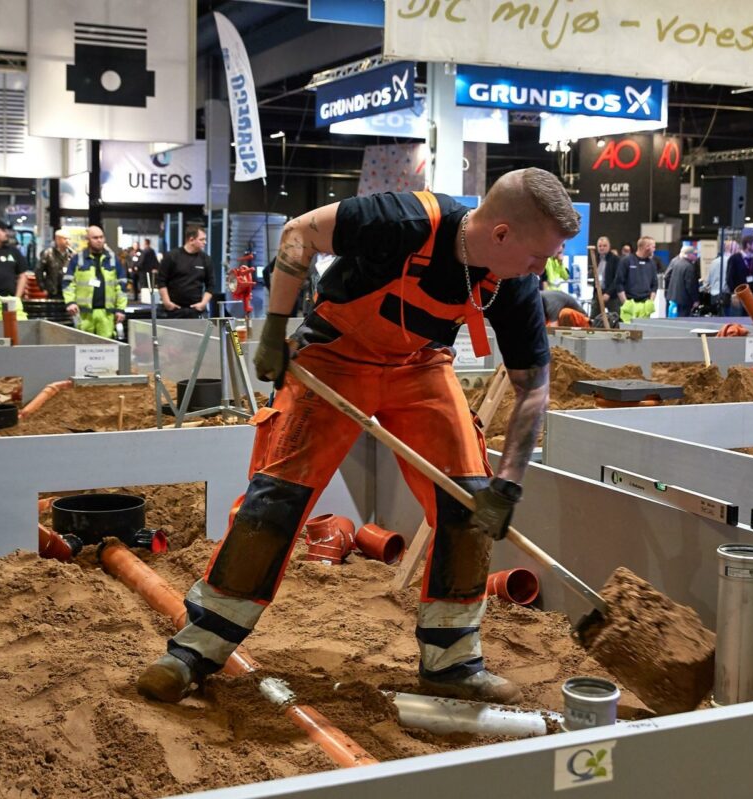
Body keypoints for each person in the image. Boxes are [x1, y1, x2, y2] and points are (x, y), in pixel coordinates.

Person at [135, 168, 581, 706]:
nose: (543, 269)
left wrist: (508, 483)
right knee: (275, 503)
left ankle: (452, 664)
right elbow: (299, 232)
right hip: (334, 360)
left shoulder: (513, 283)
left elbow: (533, 388)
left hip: (420, 368)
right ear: (502, 233)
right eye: (539, 256)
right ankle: (195, 651)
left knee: (468, 504)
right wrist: (275, 327)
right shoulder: (407, 220)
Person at [63, 225, 127, 338]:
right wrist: (70, 302)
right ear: (88, 240)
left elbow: (121, 286)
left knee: (107, 350)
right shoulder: (78, 259)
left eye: (101, 237)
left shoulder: (112, 260)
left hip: (107, 315)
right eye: (95, 238)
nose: (99, 240)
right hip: (84, 314)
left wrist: (121, 308)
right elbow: (68, 283)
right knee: (83, 348)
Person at [157, 226, 214, 318]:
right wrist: (167, 302)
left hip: (196, 311)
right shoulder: (172, 256)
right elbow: (161, 281)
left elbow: (210, 285)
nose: (205, 242)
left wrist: (203, 304)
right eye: (202, 239)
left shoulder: (206, 259)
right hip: (173, 311)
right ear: (191, 240)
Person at [614, 236, 659, 320]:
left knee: (644, 331)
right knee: (627, 331)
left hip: (645, 304)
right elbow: (619, 283)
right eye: (653, 247)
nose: (654, 249)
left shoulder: (652, 263)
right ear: (647, 247)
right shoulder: (626, 261)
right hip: (630, 303)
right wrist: (625, 303)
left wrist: (651, 302)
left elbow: (654, 285)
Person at [726, 235, 753, 314]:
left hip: (749, 297)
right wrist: (734, 293)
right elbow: (729, 278)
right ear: (748, 245)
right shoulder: (734, 258)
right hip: (738, 296)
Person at [37, 229, 74, 299]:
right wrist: (42, 287)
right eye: (65, 239)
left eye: (69, 239)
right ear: (58, 239)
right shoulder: (48, 253)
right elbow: (39, 271)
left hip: (68, 291)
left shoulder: (72, 255)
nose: (68, 241)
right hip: (53, 290)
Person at [706, 240, 738, 316]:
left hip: (713, 296)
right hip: (726, 296)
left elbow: (708, 280)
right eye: (737, 248)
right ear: (732, 249)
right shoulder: (732, 262)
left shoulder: (714, 262)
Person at [666, 245, 700, 317]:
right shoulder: (689, 267)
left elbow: (667, 276)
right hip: (684, 300)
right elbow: (690, 285)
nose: (696, 256)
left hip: (672, 297)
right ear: (689, 254)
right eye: (695, 254)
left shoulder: (674, 261)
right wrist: (695, 300)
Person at [593, 236, 620, 317]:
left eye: (604, 246)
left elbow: (617, 278)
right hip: (598, 293)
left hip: (611, 295)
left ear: (609, 246)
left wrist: (608, 293)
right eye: (600, 246)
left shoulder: (615, 259)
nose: (602, 248)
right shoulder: (595, 258)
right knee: (594, 317)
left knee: (615, 317)